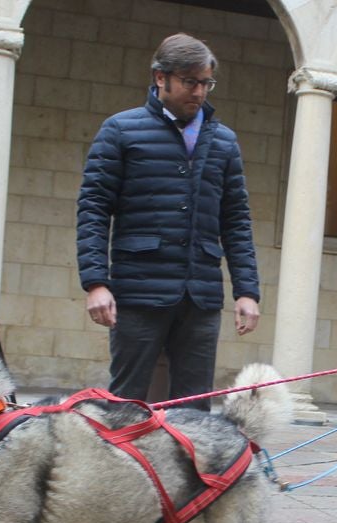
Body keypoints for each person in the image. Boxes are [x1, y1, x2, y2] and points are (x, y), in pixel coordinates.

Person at [77, 33, 260, 408]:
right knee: (127, 405)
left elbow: (236, 220)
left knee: (195, 410)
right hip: (138, 291)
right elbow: (93, 208)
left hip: (201, 295)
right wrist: (96, 282)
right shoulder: (120, 130)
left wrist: (247, 290)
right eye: (190, 82)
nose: (199, 92)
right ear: (161, 78)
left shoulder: (224, 142)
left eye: (206, 83)